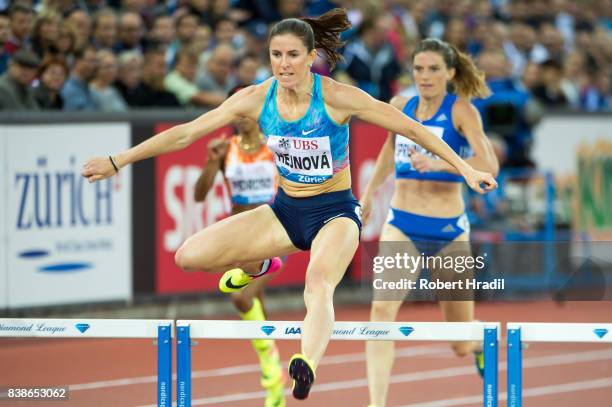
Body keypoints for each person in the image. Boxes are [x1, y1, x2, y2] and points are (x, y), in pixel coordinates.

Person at [82, 9, 497, 401]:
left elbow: (411, 129)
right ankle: (258, 264)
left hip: (335, 214)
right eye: (276, 55)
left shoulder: (336, 97)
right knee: (189, 256)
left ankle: (306, 362)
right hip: (284, 212)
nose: (283, 64)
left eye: (293, 55)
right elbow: (185, 133)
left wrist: (464, 168)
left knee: (318, 284)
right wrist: (119, 161)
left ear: (310, 56)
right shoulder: (255, 98)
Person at [359, 38, 500, 407]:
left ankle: (478, 345)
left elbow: (490, 164)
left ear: (450, 73)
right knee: (381, 313)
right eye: (419, 68)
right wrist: (369, 196)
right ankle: (376, 403)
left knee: (458, 342)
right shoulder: (400, 106)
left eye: (434, 69)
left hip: (448, 231)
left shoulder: (462, 111)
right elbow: (389, 150)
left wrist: (439, 162)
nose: (425, 76)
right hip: (402, 224)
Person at [193, 85, 285, 407]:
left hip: (270, 233)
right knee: (256, 305)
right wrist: (210, 163)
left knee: (240, 297)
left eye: (248, 110)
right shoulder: (225, 148)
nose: (242, 116)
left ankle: (271, 373)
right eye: (236, 110)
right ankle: (275, 388)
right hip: (239, 236)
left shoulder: (275, 146)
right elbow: (199, 195)